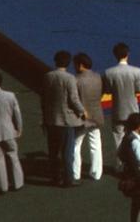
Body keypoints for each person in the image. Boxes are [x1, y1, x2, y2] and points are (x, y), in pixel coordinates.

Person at [42, 50, 86, 186]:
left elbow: (43, 98)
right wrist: (82, 111)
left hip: (51, 119)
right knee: (67, 152)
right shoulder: (69, 78)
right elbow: (73, 99)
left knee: (53, 152)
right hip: (66, 121)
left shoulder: (48, 76)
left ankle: (55, 177)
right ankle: (68, 179)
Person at [103, 43, 140, 168]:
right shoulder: (136, 71)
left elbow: (108, 90)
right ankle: (137, 163)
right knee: (135, 139)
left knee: (118, 139)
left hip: (118, 110)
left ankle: (121, 165)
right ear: (127, 54)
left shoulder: (109, 72)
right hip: (133, 110)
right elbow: (139, 89)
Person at [73, 52, 104, 181]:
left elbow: (73, 99)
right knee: (96, 144)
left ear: (80, 65)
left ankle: (75, 173)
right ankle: (96, 173)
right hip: (96, 115)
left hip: (81, 118)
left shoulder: (76, 80)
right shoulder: (98, 77)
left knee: (75, 145)